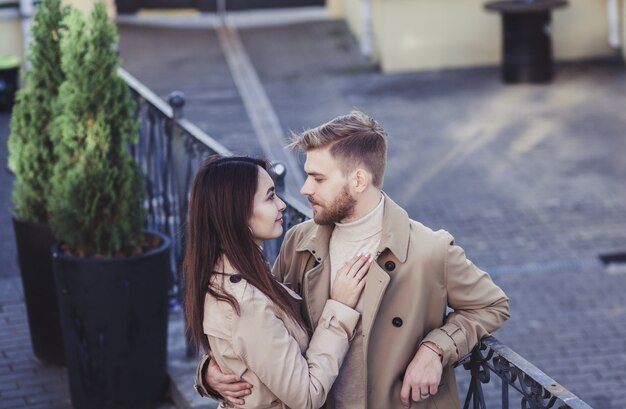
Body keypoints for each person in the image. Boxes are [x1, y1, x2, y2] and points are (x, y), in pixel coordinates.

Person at [195, 112, 510, 409]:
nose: (304, 189)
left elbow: (492, 305)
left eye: (317, 178)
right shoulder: (299, 242)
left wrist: (436, 348)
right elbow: (265, 331)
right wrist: (212, 371)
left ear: (358, 181)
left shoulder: (429, 250)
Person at [184, 155, 374, 409]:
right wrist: (339, 309)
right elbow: (306, 396)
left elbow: (248, 351)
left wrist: (208, 373)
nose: (283, 204)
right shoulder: (244, 300)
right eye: (270, 197)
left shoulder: (235, 269)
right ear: (237, 213)